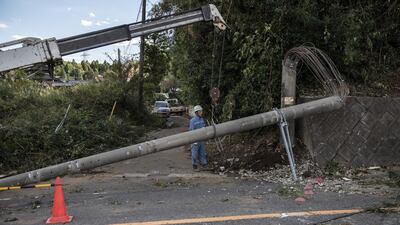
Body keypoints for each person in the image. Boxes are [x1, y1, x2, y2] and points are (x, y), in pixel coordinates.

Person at [189, 105, 208, 170]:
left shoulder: (202, 119)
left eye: (201, 111)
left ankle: (204, 164)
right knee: (194, 154)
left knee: (202, 153)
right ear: (196, 112)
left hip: (201, 139)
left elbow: (204, 128)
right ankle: (194, 165)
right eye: (200, 111)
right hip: (195, 140)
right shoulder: (193, 121)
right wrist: (194, 140)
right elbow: (191, 131)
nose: (201, 112)